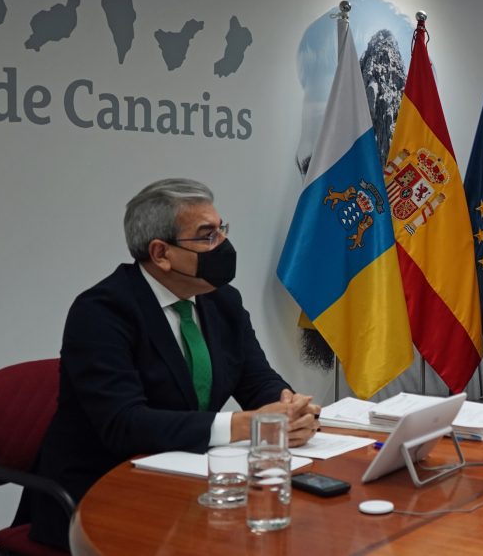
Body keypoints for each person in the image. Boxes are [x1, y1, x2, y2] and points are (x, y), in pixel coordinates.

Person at [22, 178, 321, 549]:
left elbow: (254, 378)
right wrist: (249, 425)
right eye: (207, 235)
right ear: (161, 253)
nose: (223, 245)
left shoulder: (221, 300)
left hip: (189, 481)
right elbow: (124, 424)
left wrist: (289, 409)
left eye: (222, 230)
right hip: (102, 490)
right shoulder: (101, 312)